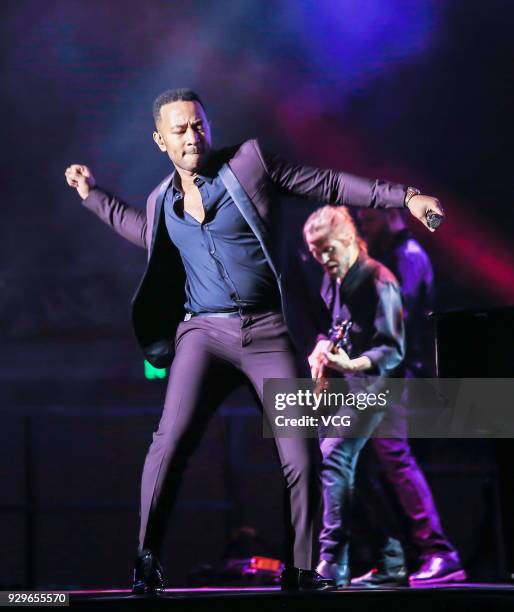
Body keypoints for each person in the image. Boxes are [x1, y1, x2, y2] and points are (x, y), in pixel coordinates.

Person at [64, 88, 443, 593]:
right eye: (179, 130)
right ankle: (146, 562)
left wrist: (405, 196)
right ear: (161, 141)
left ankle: (303, 570)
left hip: (267, 331)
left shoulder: (249, 164)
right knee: (170, 442)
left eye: (198, 125)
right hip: (204, 333)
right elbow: (141, 229)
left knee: (303, 454)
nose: (192, 136)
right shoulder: (163, 203)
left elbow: (326, 181)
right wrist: (93, 196)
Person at [351, 208, 466, 586]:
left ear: (387, 216)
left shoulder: (409, 258)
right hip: (387, 379)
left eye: (366, 219)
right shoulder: (396, 258)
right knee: (367, 465)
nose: (362, 227)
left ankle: (439, 552)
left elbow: (395, 318)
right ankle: (398, 556)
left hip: (402, 380)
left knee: (394, 458)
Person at [304, 205, 407, 587]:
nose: (323, 259)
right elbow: (332, 326)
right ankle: (392, 556)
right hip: (344, 389)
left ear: (348, 239)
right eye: (316, 252)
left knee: (335, 456)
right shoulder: (331, 279)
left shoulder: (381, 280)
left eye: (328, 249)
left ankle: (333, 560)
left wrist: (353, 364)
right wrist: (321, 347)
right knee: (351, 473)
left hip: (377, 387)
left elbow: (393, 349)